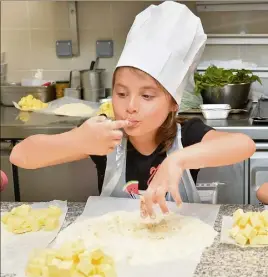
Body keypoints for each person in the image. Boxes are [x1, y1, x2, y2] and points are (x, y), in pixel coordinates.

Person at [10, 2, 256, 219]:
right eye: (121, 93)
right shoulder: (103, 136)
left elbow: (243, 145)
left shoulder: (187, 135)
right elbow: (20, 156)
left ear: (173, 104)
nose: (130, 106)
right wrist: (77, 141)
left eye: (147, 96)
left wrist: (179, 160)